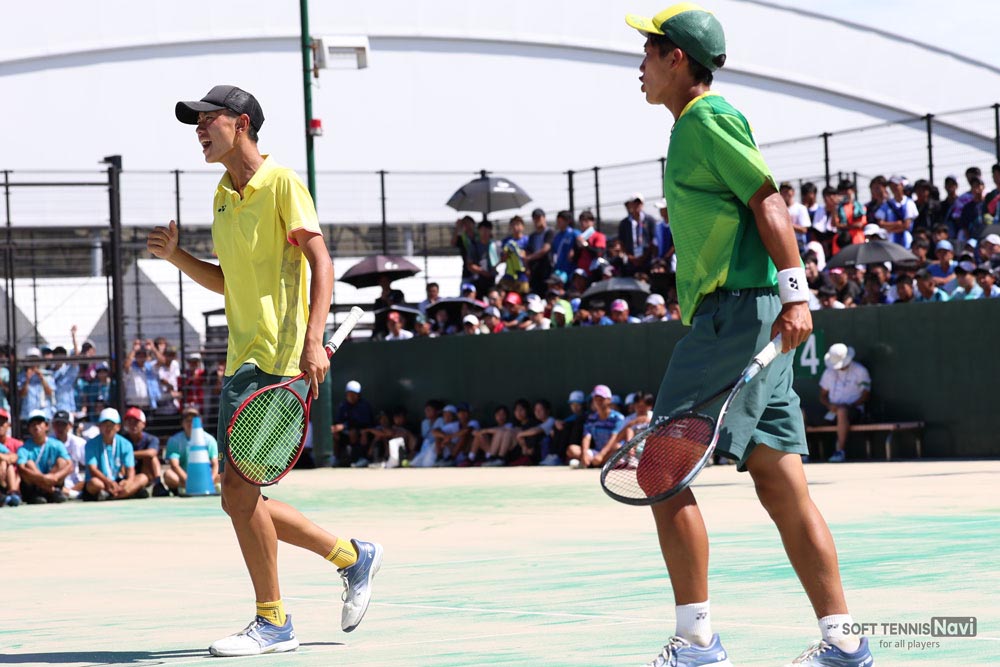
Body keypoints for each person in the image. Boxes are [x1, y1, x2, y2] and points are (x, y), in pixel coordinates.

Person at [627, 6, 872, 666]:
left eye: (647, 52)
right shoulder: (690, 125)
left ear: (677, 58)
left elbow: (768, 199)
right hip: (746, 314)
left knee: (659, 469)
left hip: (735, 319)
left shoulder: (707, 118)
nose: (639, 66)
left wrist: (797, 294)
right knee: (780, 480)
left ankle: (697, 642)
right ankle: (844, 643)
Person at [148, 85, 381, 656]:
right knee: (240, 498)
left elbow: (320, 260)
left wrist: (314, 339)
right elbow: (230, 283)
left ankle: (274, 621)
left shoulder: (281, 183)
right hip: (241, 360)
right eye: (196, 122)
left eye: (208, 119)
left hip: (279, 359)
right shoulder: (222, 197)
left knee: (238, 492)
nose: (199, 130)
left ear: (242, 124)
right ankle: (351, 557)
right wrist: (177, 257)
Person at [82, 407, 149, 501]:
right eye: (105, 424)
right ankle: (127, 493)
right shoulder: (91, 444)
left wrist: (128, 481)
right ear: (99, 426)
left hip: (118, 480)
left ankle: (112, 495)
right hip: (101, 481)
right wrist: (108, 482)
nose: (108, 428)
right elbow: (93, 469)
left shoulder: (126, 444)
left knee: (143, 478)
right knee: (95, 483)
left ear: (118, 427)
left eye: (111, 425)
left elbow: (130, 468)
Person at [818, 344, 871, 463]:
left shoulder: (860, 371)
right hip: (831, 411)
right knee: (802, 413)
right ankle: (803, 454)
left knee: (842, 411)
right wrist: (830, 406)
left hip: (854, 411)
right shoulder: (828, 372)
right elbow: (822, 396)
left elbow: (866, 395)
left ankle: (840, 451)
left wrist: (847, 407)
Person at [13, 409, 71, 504]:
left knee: (62, 461)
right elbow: (21, 468)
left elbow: (69, 464)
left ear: (46, 426)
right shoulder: (24, 448)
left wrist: (55, 476)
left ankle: (49, 491)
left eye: (39, 423)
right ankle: (51, 491)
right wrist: (43, 478)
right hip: (33, 488)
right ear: (29, 429)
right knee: (29, 464)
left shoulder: (57, 444)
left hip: (53, 482)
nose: (36, 427)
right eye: (33, 424)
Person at [163, 406, 220, 495]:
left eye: (194, 420)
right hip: (184, 477)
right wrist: (190, 482)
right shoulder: (174, 440)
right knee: (168, 475)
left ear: (200, 421)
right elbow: (174, 465)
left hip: (206, 476)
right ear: (182, 423)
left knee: (224, 473)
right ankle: (190, 487)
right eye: (187, 420)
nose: (191, 423)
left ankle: (184, 488)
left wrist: (209, 481)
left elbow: (215, 464)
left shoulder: (210, 439)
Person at [565, 384, 625, 468]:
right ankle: (594, 462)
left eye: (601, 399)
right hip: (596, 453)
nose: (598, 402)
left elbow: (613, 439)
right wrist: (584, 454)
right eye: (595, 399)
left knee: (618, 447)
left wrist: (601, 455)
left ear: (609, 400)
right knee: (572, 449)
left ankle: (593, 463)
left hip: (610, 452)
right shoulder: (591, 418)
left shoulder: (618, 418)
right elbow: (586, 437)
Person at [332, 380, 375, 467]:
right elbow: (338, 421)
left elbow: (362, 422)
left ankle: (361, 458)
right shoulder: (343, 405)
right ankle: (336, 458)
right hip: (346, 431)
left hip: (363, 430)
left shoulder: (364, 405)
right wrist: (336, 428)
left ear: (358, 395)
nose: (351, 396)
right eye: (349, 394)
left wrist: (344, 426)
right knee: (334, 432)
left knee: (354, 432)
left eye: (354, 394)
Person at [121, 407, 162, 491]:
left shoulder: (152, 439)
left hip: (146, 473)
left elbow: (152, 453)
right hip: (128, 473)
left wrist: (129, 454)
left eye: (136, 422)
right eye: (129, 422)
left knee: (152, 458)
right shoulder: (121, 440)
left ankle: (158, 484)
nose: (132, 425)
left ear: (143, 424)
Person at [50, 409, 87, 499]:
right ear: (53, 425)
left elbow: (89, 464)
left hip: (75, 484)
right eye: (57, 424)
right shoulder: (48, 443)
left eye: (63, 424)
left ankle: (68, 493)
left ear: (70, 425)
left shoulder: (79, 443)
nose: (60, 428)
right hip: (55, 483)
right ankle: (70, 494)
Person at [526, 208, 555, 295]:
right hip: (535, 271)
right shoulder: (532, 236)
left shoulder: (550, 232)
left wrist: (529, 258)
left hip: (546, 269)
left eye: (539, 218)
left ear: (544, 218)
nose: (537, 220)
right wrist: (527, 267)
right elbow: (529, 251)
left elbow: (545, 249)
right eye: (535, 218)